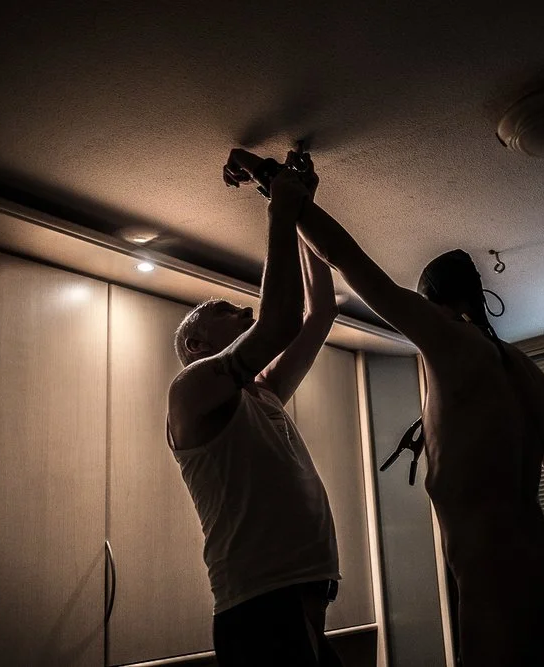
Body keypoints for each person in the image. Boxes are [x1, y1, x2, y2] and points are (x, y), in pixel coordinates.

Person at [264, 149, 544, 667]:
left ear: (432, 305)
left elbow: (354, 265)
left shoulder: (448, 336)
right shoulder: (533, 377)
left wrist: (283, 191)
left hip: (498, 588)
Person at [166, 151, 343, 666]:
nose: (240, 307)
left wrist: (298, 205)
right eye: (222, 310)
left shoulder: (260, 392)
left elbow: (319, 313)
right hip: (260, 608)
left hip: (299, 605)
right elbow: (280, 321)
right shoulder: (189, 390)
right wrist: (279, 206)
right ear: (196, 345)